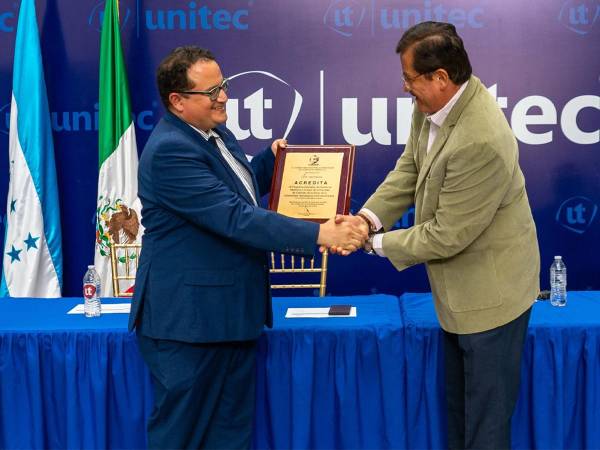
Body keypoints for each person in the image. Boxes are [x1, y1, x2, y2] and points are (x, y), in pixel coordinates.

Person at [128, 46, 366, 450]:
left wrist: (269, 164)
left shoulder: (214, 133)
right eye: (213, 91)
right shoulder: (171, 150)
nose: (224, 96)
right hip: (190, 327)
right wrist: (319, 235)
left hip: (230, 317)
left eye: (224, 85)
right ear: (178, 102)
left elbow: (235, 194)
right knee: (181, 438)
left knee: (230, 437)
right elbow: (233, 218)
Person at [331, 22, 540, 449]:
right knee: (461, 416)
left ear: (440, 77)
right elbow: (410, 167)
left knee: (485, 428)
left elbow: (446, 235)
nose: (405, 88)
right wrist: (367, 219)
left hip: (491, 299)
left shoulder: (480, 139)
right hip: (459, 295)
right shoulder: (433, 106)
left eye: (409, 79)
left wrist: (368, 242)